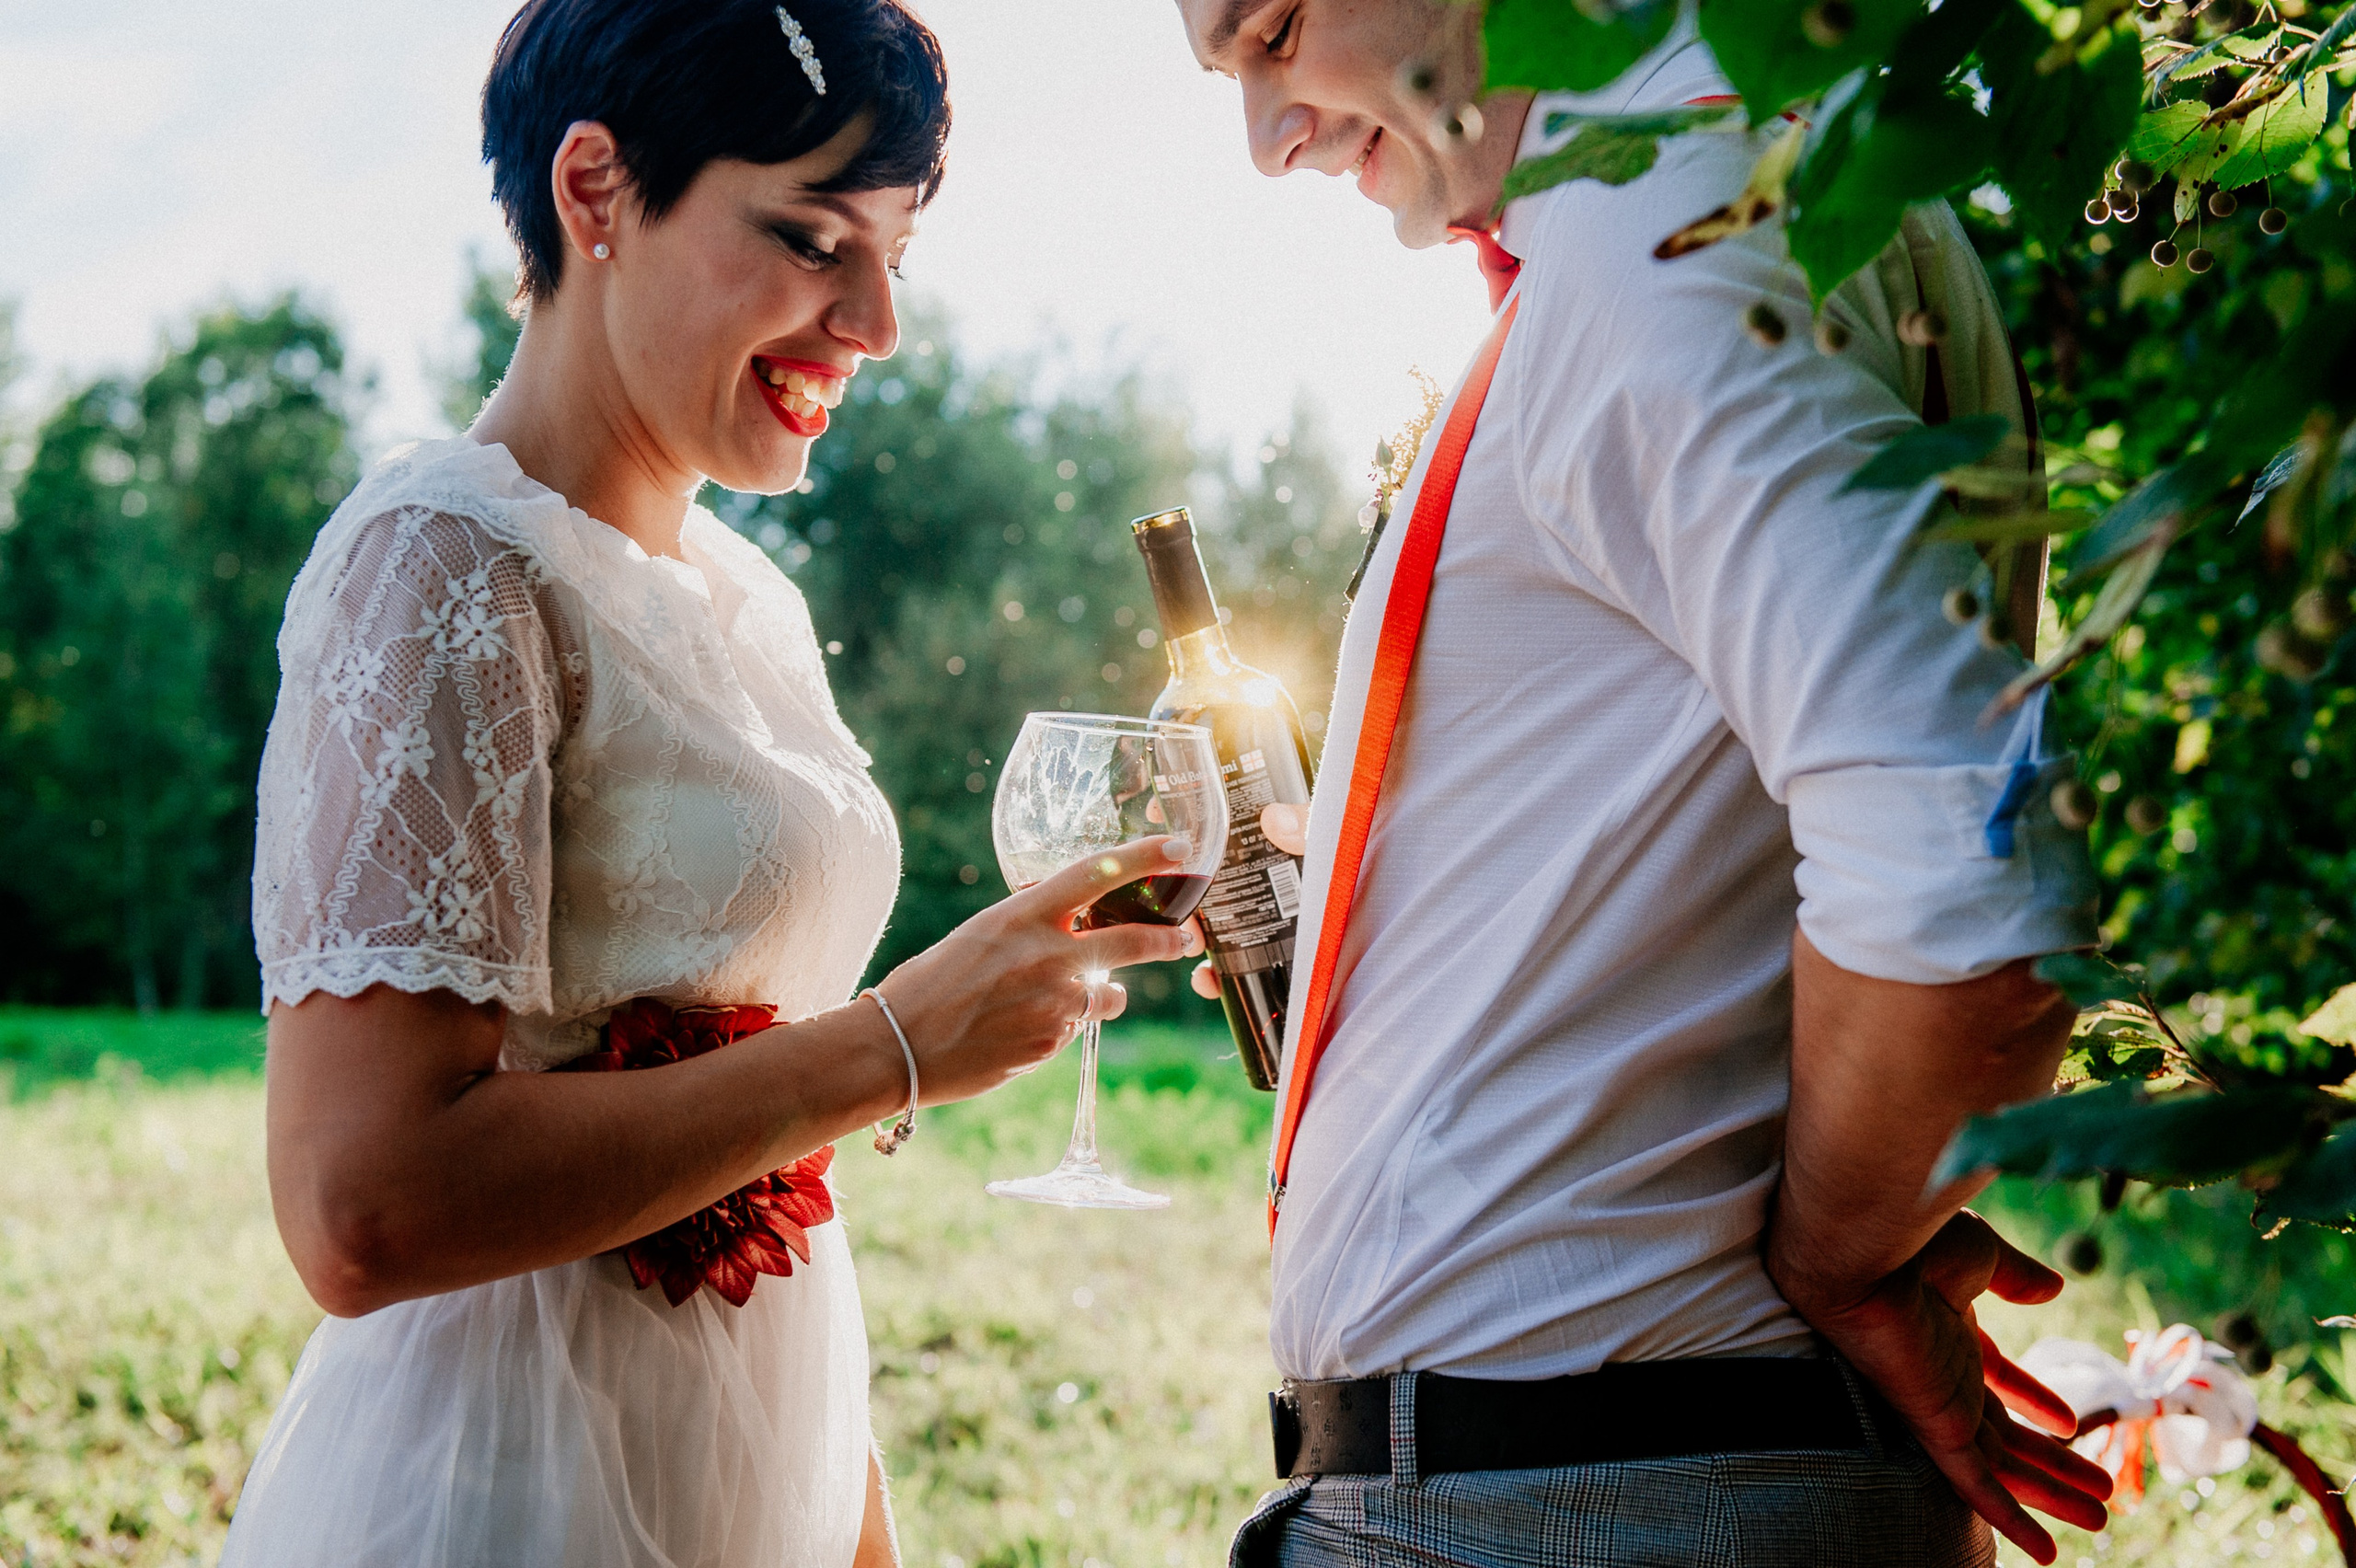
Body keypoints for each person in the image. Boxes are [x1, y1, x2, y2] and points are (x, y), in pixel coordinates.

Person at [224, 2, 1200, 1562]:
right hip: (511, 1482)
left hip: (753, 1476)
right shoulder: (444, 564)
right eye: (816, 239)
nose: (875, 320)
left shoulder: (750, 603)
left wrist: (855, 1518)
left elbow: (757, 1181)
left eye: (895, 255)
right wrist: (891, 1046)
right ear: (595, 189)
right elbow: (364, 1204)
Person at [1176, 3, 2118, 1564]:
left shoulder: (1668, 240)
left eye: (1271, 29)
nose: (1269, 140)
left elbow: (1972, 864)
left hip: (1574, 1499)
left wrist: (1837, 1255)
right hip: (1610, 1470)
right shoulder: (1752, 183)